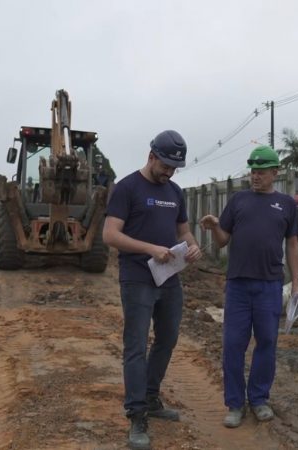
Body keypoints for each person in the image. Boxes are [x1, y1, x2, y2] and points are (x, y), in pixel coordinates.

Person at [102, 129, 202, 450]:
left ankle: (150, 396)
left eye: (175, 168)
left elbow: (183, 229)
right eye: (165, 166)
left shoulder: (175, 191)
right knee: (135, 345)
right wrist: (149, 249)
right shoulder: (127, 188)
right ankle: (136, 415)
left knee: (169, 338)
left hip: (169, 277)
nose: (169, 173)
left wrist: (193, 245)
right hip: (137, 278)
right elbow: (110, 235)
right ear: (151, 156)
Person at [199, 145, 298, 429]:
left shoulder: (287, 205)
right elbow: (222, 241)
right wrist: (214, 225)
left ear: (274, 172)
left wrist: (296, 283)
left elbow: (293, 245)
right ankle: (235, 403)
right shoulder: (238, 201)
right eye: (253, 171)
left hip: (270, 285)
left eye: (261, 172)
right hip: (238, 286)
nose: (256, 176)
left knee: (267, 342)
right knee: (233, 344)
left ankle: (258, 399)